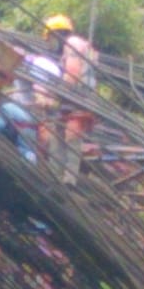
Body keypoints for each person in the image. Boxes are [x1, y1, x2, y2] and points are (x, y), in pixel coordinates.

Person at [42, 14, 98, 184]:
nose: (50, 44)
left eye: (50, 39)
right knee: (64, 132)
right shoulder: (86, 46)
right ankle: (61, 176)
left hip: (76, 97)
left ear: (57, 34)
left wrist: (56, 95)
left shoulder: (71, 44)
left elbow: (72, 73)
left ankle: (65, 179)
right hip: (85, 96)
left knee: (67, 135)